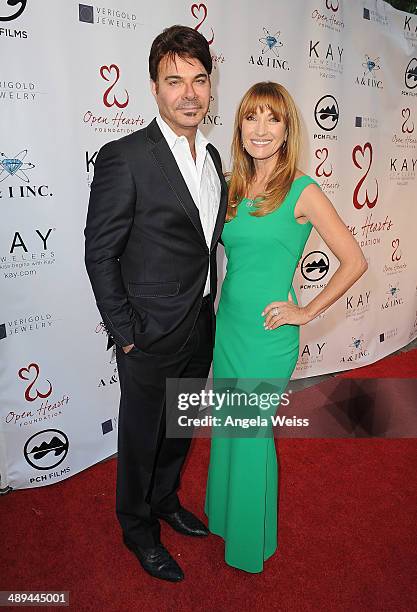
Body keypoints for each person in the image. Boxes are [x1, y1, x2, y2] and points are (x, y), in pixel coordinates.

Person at [204, 81, 368, 573]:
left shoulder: (303, 189)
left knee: (251, 431)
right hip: (229, 326)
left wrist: (306, 310)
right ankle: (225, 517)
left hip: (270, 335)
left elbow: (354, 260)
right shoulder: (230, 185)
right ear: (239, 126)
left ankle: (249, 545)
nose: (260, 129)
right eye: (251, 117)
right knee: (231, 425)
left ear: (286, 128)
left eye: (272, 118)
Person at [84, 25, 227, 582]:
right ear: (153, 87)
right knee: (142, 436)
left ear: (210, 87)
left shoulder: (213, 156)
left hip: (201, 325)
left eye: (199, 80)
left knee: (180, 427)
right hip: (147, 333)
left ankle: (166, 502)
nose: (189, 94)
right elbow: (100, 253)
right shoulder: (125, 157)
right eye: (175, 81)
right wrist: (126, 331)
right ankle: (137, 527)